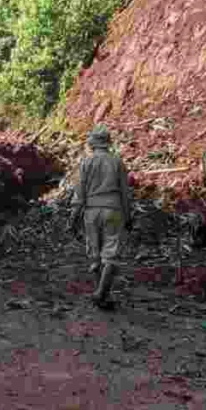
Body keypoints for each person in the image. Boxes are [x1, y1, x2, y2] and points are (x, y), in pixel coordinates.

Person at [69, 125, 131, 310]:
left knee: (95, 254)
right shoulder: (117, 162)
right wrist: (128, 216)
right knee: (111, 252)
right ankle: (102, 294)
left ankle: (100, 293)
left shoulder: (86, 162)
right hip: (113, 211)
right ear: (107, 143)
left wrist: (73, 217)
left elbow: (80, 192)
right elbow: (125, 193)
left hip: (91, 212)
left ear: (92, 143)